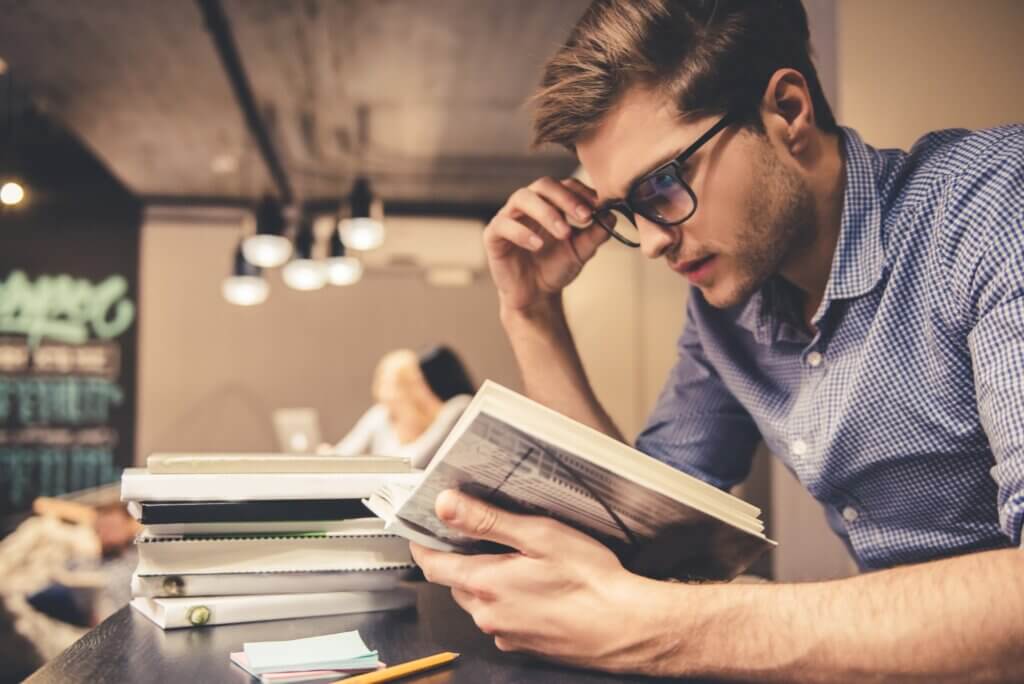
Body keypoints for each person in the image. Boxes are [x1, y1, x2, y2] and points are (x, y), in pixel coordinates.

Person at [409, 1, 1024, 680]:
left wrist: (657, 629)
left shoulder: (992, 209)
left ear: (787, 111)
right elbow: (635, 539)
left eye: (664, 184)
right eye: (624, 210)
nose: (649, 241)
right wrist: (531, 311)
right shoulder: (728, 310)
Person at [330, 346, 475, 468]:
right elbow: (344, 453)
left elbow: (417, 461)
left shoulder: (447, 413)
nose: (383, 392)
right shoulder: (380, 415)